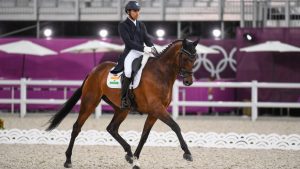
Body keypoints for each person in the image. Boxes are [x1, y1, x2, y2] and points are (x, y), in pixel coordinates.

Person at [110, 1, 157, 109]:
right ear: (128, 12)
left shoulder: (141, 25)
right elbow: (128, 42)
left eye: (138, 11)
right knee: (128, 72)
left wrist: (153, 47)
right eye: (134, 11)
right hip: (130, 52)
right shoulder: (123, 25)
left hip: (142, 51)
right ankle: (123, 98)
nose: (137, 13)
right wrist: (144, 48)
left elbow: (146, 38)